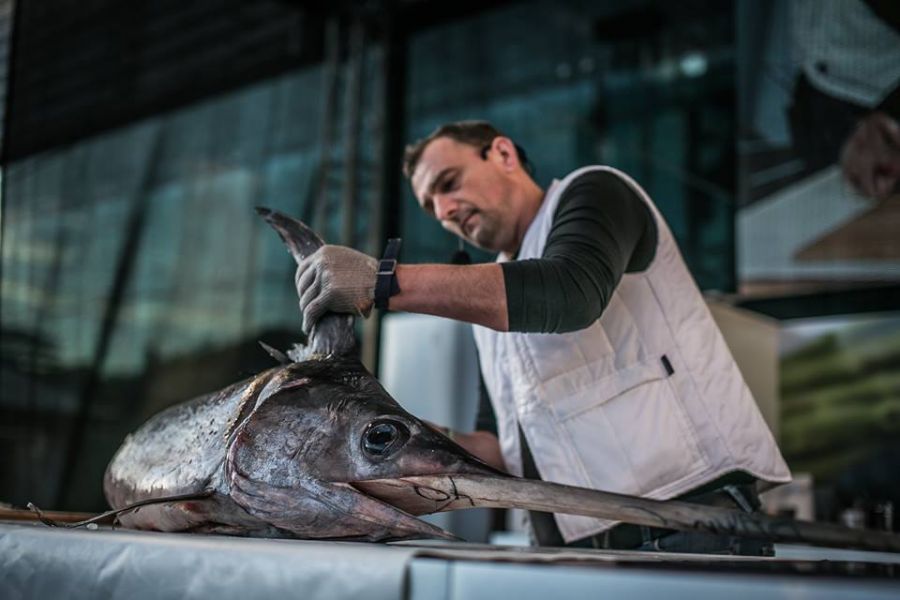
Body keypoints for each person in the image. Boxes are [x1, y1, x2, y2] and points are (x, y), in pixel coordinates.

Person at [294, 120, 792, 554]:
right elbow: (496, 446)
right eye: (431, 205)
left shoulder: (595, 191)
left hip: (687, 524)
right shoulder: (487, 306)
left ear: (503, 154)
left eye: (449, 182)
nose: (444, 209)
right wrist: (378, 434)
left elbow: (570, 291)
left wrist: (382, 282)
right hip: (570, 549)